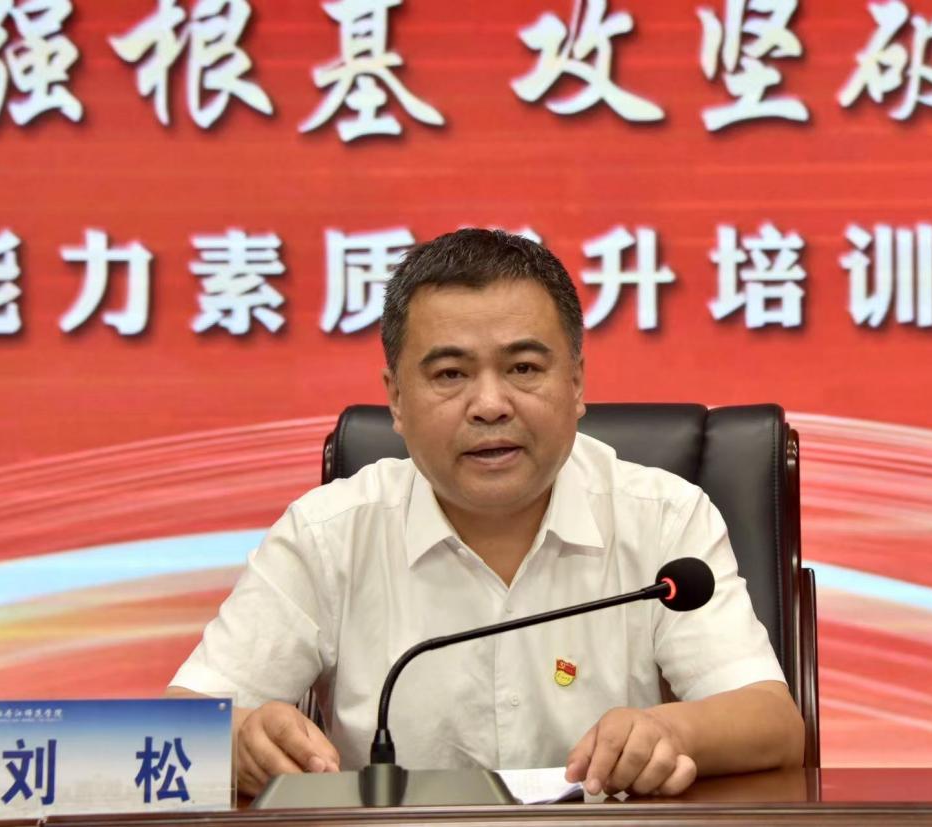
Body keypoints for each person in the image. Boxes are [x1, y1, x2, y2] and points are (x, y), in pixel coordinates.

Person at [168, 229, 804, 798]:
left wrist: (668, 731)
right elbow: (167, 731)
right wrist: (241, 739)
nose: (490, 404)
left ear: (576, 383)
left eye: (524, 368)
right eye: (450, 374)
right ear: (396, 399)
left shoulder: (663, 517)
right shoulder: (328, 533)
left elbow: (773, 723)